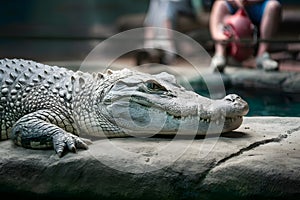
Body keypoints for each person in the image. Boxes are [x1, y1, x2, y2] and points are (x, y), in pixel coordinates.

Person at [209, 0, 282, 72]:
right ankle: (220, 55)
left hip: (259, 5)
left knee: (273, 6)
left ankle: (262, 55)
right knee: (220, 4)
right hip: (234, 5)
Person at [143, 0, 197, 64]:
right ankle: (149, 47)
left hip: (181, 6)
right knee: (155, 2)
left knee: (167, 5)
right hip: (164, 7)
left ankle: (169, 50)